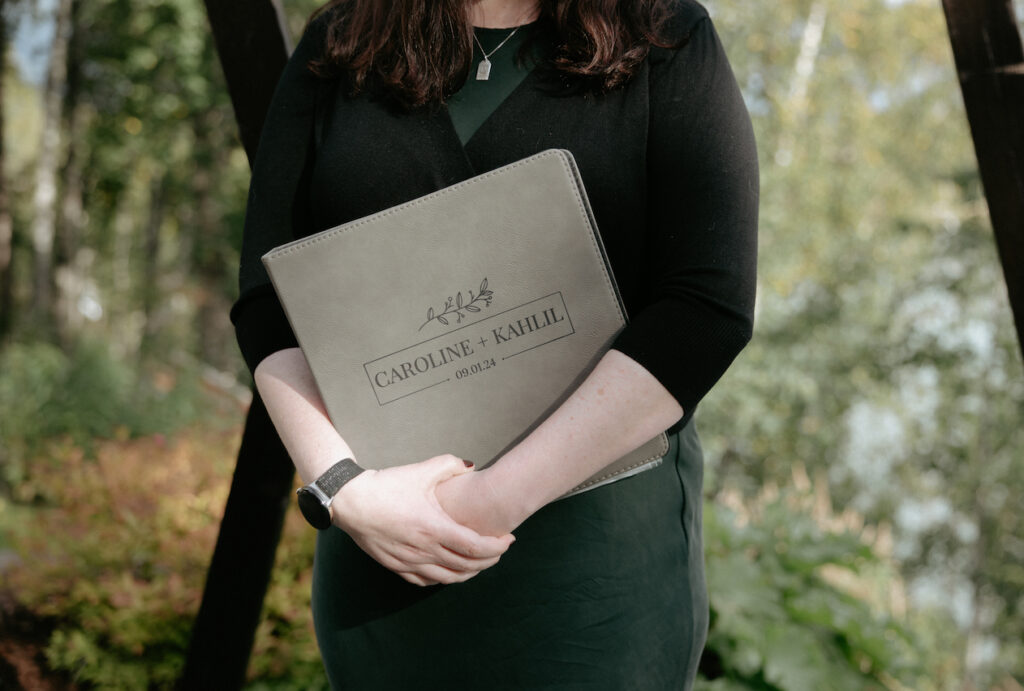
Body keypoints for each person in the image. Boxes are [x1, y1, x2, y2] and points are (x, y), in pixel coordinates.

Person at [229, 0, 758, 687]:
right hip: (384, 558)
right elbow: (267, 300)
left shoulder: (666, 36)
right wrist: (343, 488)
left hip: (592, 586)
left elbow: (705, 306)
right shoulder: (341, 41)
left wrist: (488, 504)